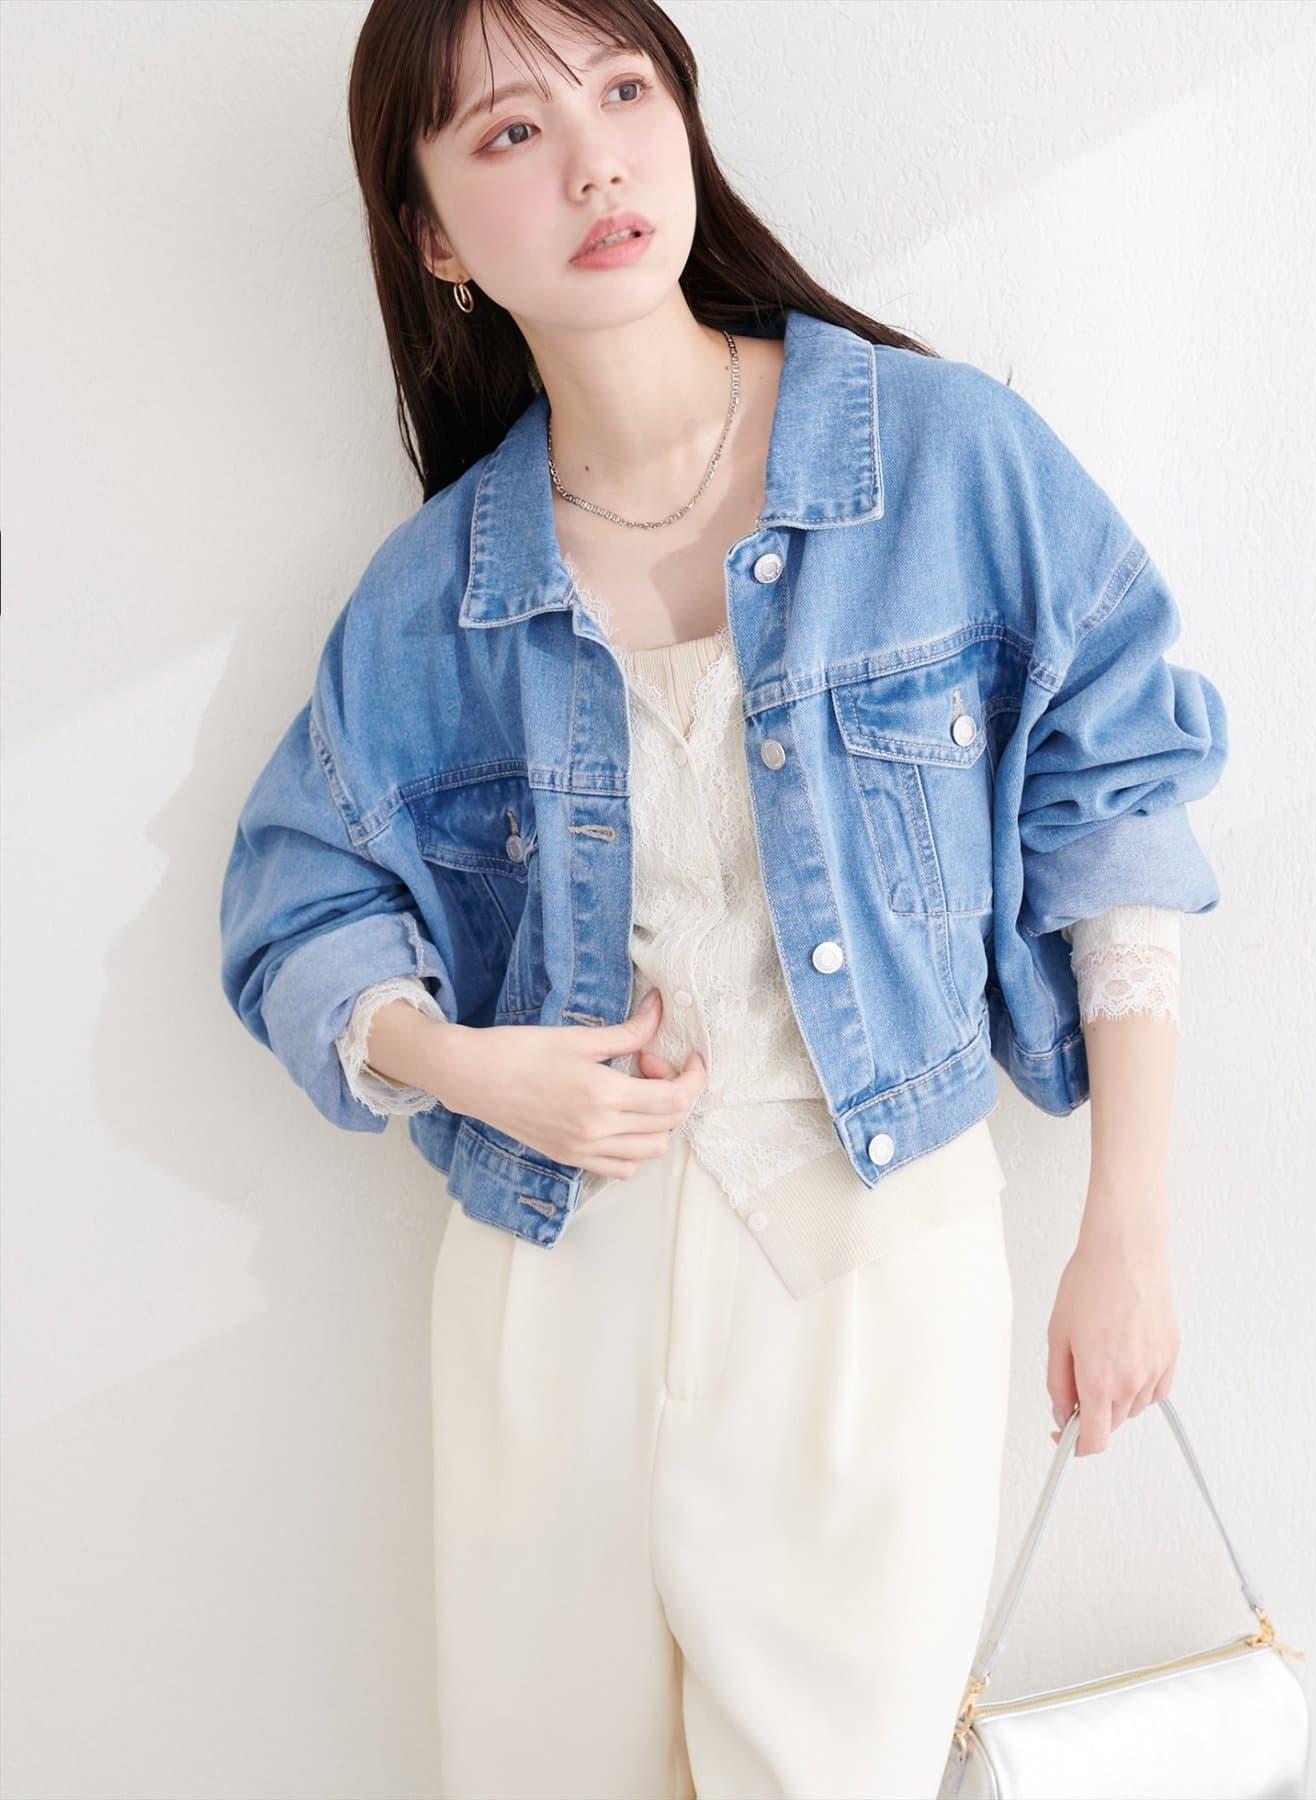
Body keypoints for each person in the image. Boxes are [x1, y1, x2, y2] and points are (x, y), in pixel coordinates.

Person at [218, 1, 1229, 1794]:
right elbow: (297, 902)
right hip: (548, 1282)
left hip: (876, 1261)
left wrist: (1127, 1232)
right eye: (510, 132)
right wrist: (468, 1066)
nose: (593, 160)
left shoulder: (940, 461)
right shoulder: (436, 593)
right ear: (435, 238)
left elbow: (1119, 797)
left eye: (623, 91)